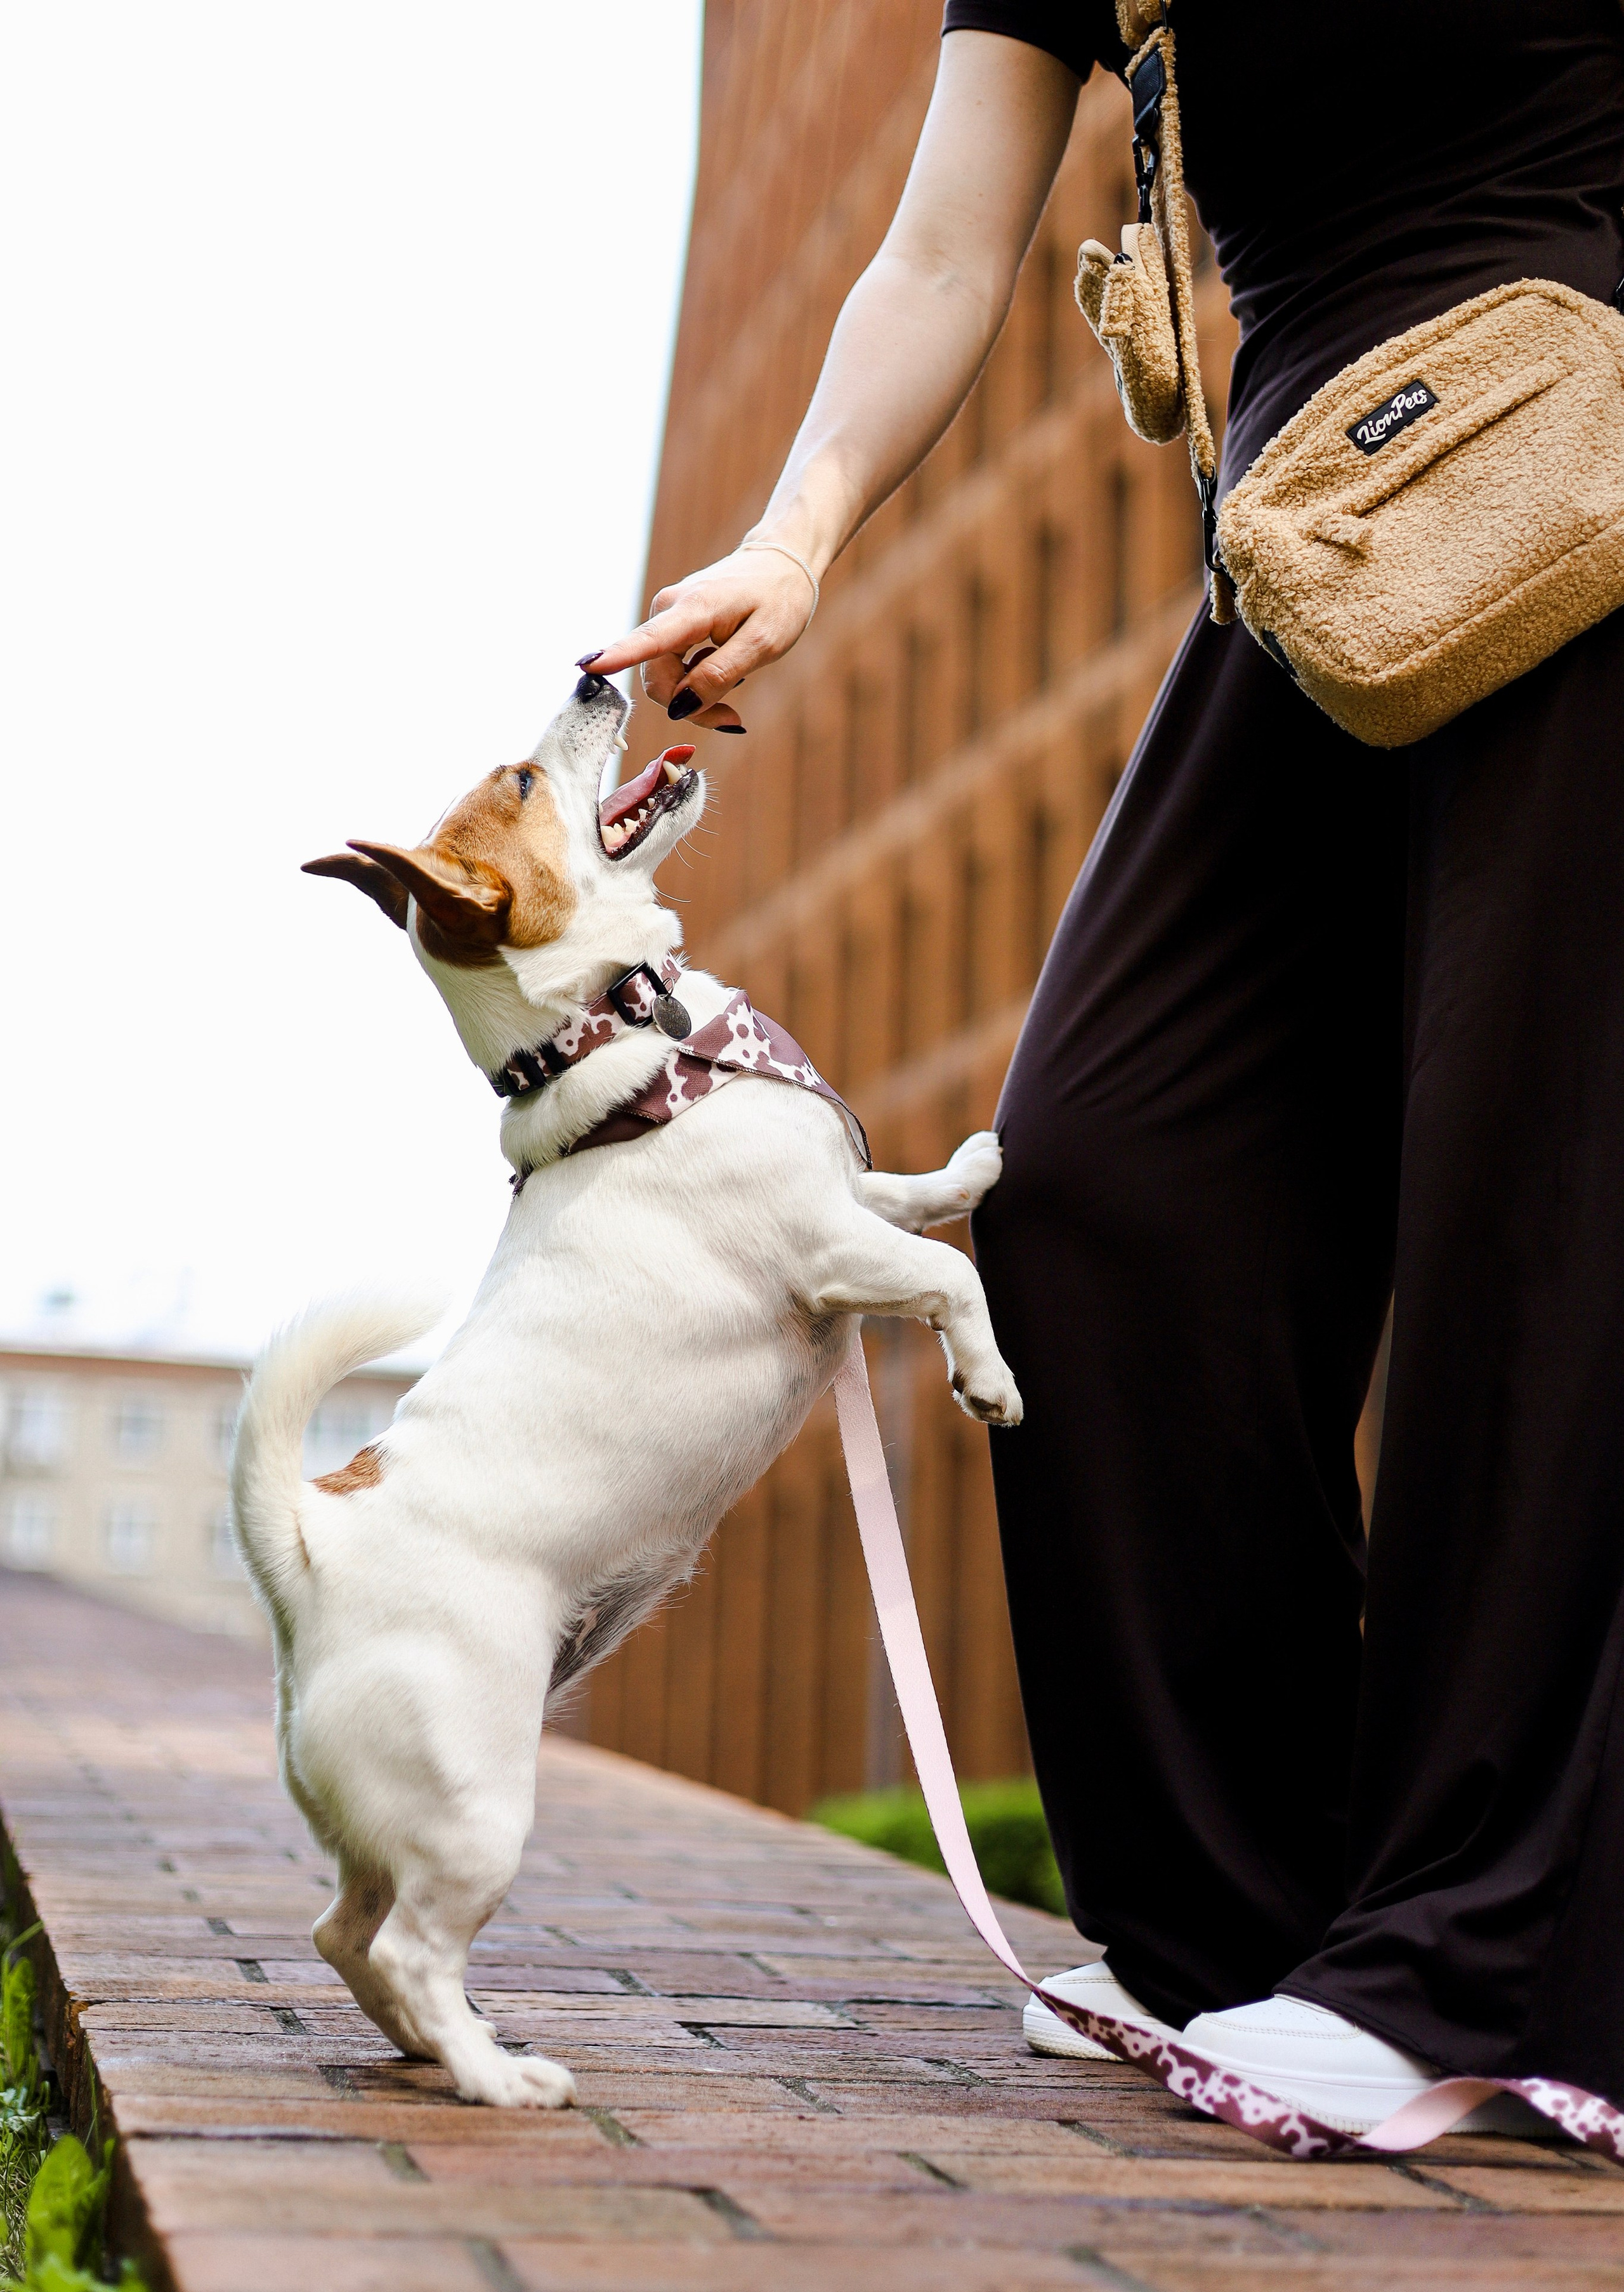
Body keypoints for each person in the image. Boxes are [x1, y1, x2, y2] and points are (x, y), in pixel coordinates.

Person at [584, 1, 1624, 2135]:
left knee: (1537, 1213)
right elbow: (946, 246)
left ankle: (1473, 1970)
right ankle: (1270, 1926)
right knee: (1101, 1187)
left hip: (1586, 422)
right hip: (1327, 513)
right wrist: (798, 538)